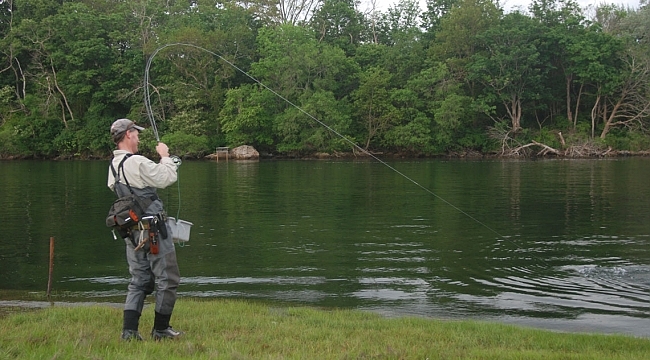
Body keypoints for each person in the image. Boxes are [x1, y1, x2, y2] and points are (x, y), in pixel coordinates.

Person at [107, 118, 182, 341]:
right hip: (154, 231)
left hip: (132, 232)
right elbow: (167, 177)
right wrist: (165, 156)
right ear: (128, 134)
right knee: (168, 279)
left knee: (138, 280)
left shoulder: (112, 166)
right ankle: (161, 330)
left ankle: (129, 332)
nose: (139, 137)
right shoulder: (136, 162)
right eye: (136, 133)